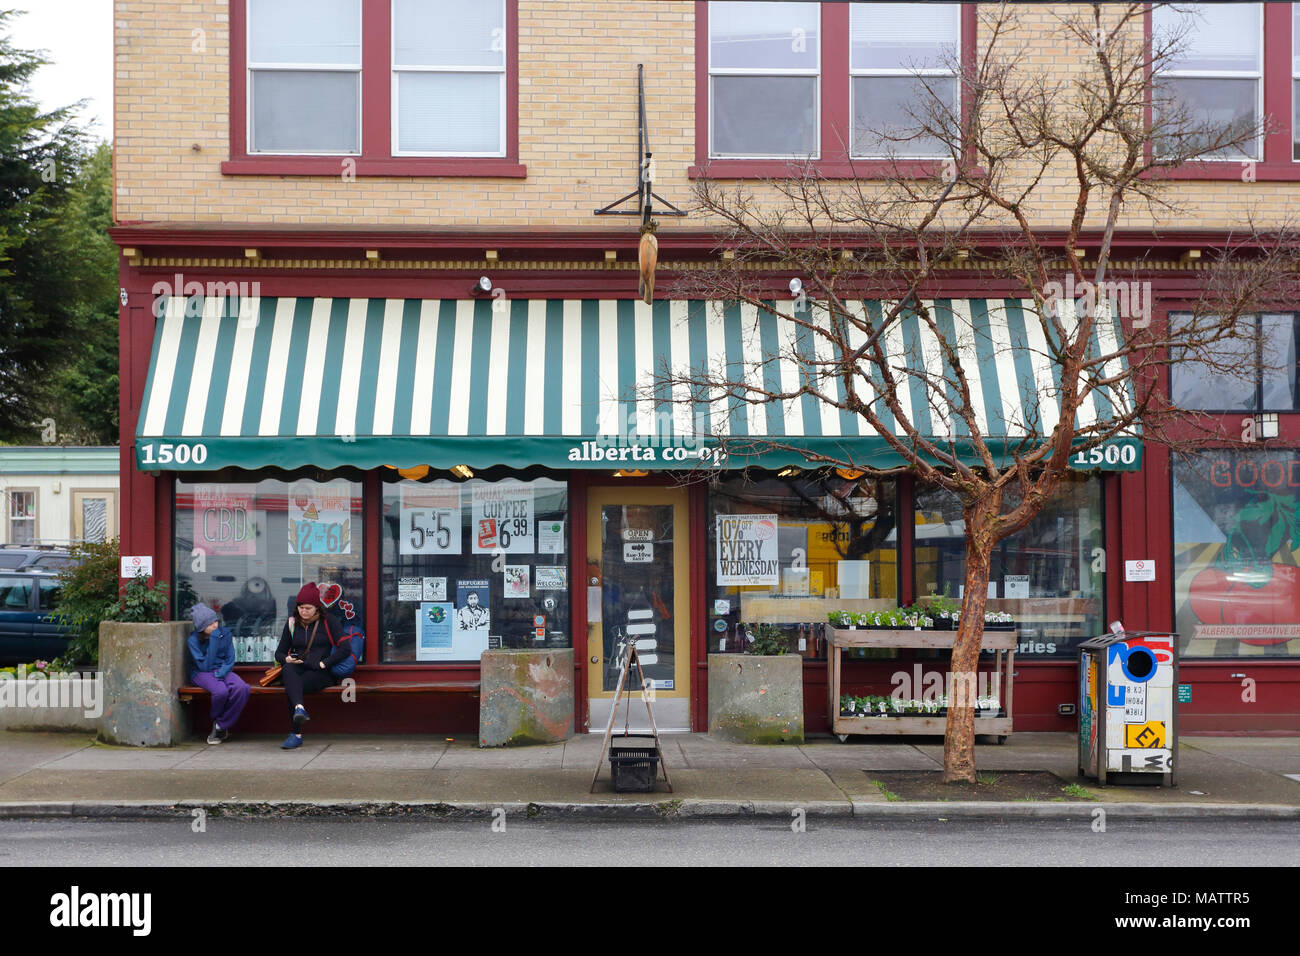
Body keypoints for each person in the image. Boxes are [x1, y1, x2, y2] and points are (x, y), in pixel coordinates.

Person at [274, 583, 349, 750]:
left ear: (317, 607)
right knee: (288, 671)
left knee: (293, 687)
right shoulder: (292, 623)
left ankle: (296, 734)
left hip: (321, 672)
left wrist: (324, 663)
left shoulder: (329, 621)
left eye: (308, 608)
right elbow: (278, 653)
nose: (304, 611)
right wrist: (287, 659)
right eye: (300, 607)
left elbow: (345, 648)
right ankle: (300, 709)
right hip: (298, 667)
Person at [187, 604, 250, 744]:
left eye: (215, 621)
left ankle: (220, 725)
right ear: (201, 627)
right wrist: (214, 641)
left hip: (222, 670)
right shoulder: (193, 641)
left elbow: (230, 658)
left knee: (243, 688)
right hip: (201, 672)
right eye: (210, 624)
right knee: (221, 692)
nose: (215, 625)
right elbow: (205, 666)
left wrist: (222, 672)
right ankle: (218, 721)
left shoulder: (225, 633)